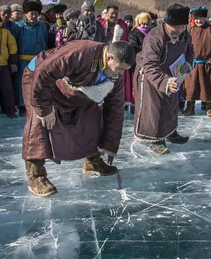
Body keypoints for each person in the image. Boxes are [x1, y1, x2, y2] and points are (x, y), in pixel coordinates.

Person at [22, 40, 134, 197]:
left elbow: (115, 108)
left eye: (125, 71)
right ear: (108, 58)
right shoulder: (80, 54)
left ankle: (93, 161)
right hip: (39, 78)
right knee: (39, 122)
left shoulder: (115, 74)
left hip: (73, 88)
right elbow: (44, 72)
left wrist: (110, 143)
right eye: (120, 69)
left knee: (92, 115)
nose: (121, 74)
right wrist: (43, 109)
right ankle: (36, 176)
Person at [133, 4, 193, 155]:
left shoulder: (185, 35)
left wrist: (187, 64)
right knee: (155, 107)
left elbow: (190, 51)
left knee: (171, 104)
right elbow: (150, 65)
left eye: (182, 26)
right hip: (151, 74)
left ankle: (171, 133)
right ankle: (155, 139)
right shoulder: (154, 37)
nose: (179, 30)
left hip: (172, 72)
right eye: (176, 27)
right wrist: (164, 81)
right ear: (167, 23)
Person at [182, 6, 211, 117]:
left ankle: (209, 108)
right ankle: (190, 107)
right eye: (197, 19)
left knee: (209, 86)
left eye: (201, 18)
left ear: (205, 18)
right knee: (191, 87)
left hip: (208, 63)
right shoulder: (189, 30)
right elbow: (183, 45)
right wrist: (186, 60)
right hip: (193, 64)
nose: (199, 21)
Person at [12, 0, 49, 116]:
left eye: (35, 13)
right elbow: (13, 44)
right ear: (25, 14)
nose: (33, 16)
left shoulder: (43, 27)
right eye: (30, 13)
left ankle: (36, 104)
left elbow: (45, 42)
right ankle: (22, 106)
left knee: (37, 82)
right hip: (23, 59)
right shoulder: (18, 27)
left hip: (38, 59)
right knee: (22, 83)